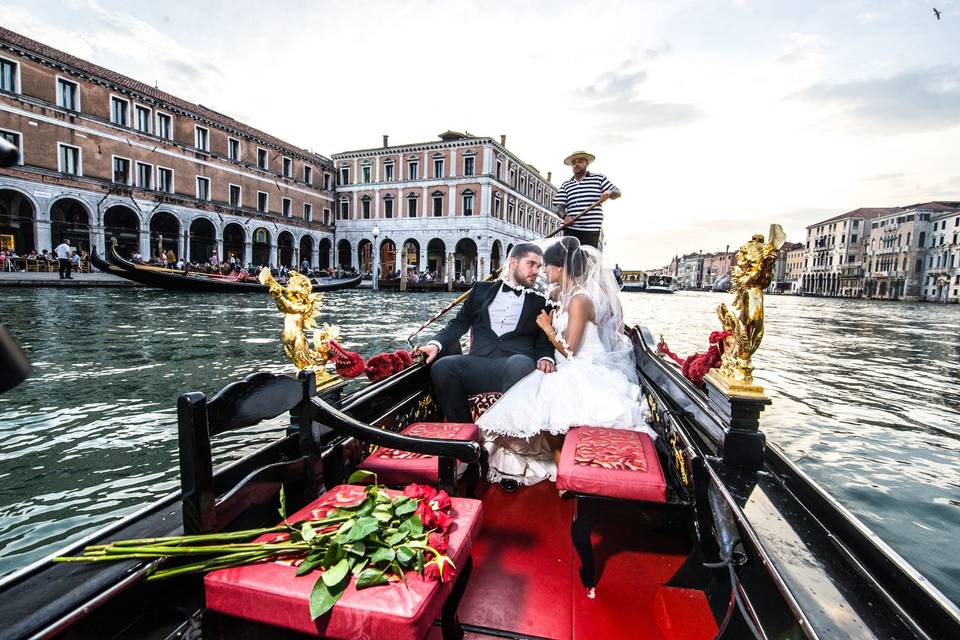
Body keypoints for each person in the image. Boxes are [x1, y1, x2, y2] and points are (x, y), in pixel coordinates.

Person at [477, 237, 651, 488]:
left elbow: (570, 349)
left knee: (547, 400)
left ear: (560, 267)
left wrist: (547, 328)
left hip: (583, 365)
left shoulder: (580, 300)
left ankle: (564, 468)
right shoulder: (559, 293)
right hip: (561, 363)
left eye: (546, 266)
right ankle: (562, 465)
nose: (543, 271)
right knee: (536, 403)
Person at [414, 243, 557, 431]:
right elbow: (459, 323)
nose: (536, 271)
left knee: (520, 363)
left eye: (539, 266)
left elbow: (543, 340)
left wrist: (546, 358)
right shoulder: (480, 289)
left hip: (515, 365)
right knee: (443, 367)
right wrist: (436, 344)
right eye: (531, 264)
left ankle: (506, 434)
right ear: (513, 262)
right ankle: (465, 438)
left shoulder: (540, 301)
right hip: (479, 362)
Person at [553, 151, 621, 249]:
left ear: (587, 163)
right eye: (574, 162)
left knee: (586, 260)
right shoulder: (566, 185)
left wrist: (609, 193)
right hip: (571, 230)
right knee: (570, 260)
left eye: (580, 161)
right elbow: (558, 205)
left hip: (590, 230)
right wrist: (565, 217)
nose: (577, 164)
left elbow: (617, 192)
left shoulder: (598, 179)